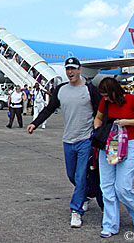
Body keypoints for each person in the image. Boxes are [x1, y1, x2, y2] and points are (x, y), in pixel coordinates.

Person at [27, 57, 101, 228]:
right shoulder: (61, 90)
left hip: (85, 139)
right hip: (68, 139)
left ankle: (76, 211)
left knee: (81, 175)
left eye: (73, 69)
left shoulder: (90, 90)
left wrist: (100, 132)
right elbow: (49, 108)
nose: (70, 72)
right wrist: (35, 123)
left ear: (80, 70)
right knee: (72, 175)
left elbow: (99, 112)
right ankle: (86, 194)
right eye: (68, 69)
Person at [94, 77, 134, 238]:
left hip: (129, 144)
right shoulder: (104, 103)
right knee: (107, 186)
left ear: (114, 91)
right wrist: (97, 129)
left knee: (123, 187)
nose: (105, 99)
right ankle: (110, 224)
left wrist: (128, 122)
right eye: (103, 96)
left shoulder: (132, 100)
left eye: (107, 95)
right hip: (109, 145)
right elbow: (98, 117)